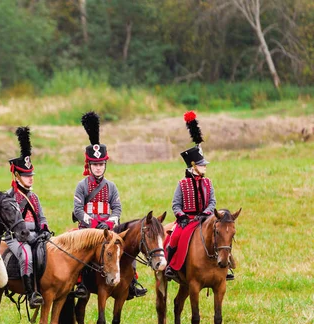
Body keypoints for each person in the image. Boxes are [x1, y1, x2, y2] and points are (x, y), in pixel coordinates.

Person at [72, 111, 148, 300]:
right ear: (88, 165)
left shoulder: (111, 186)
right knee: (80, 253)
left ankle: (131, 282)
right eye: (95, 164)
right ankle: (80, 283)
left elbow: (117, 208)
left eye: (101, 164)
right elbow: (78, 210)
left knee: (126, 248)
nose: (98, 168)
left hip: (108, 228)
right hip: (88, 230)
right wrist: (93, 223)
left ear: (105, 165)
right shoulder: (82, 186)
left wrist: (109, 222)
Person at [164, 111, 234, 281]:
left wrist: (207, 213)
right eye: (202, 165)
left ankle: (228, 265)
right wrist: (181, 216)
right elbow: (175, 204)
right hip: (187, 220)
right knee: (175, 238)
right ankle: (170, 266)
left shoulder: (208, 183)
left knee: (223, 234)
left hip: (206, 219)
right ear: (194, 166)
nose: (205, 167)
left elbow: (212, 201)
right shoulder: (182, 184)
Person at [4, 127, 50, 309]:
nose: (30, 178)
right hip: (16, 237)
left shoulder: (34, 197)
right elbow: (15, 228)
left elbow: (42, 217)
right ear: (16, 175)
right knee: (27, 256)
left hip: (36, 234)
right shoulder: (10, 197)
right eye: (26, 175)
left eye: (31, 175)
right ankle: (31, 293)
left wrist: (44, 229)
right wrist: (29, 237)